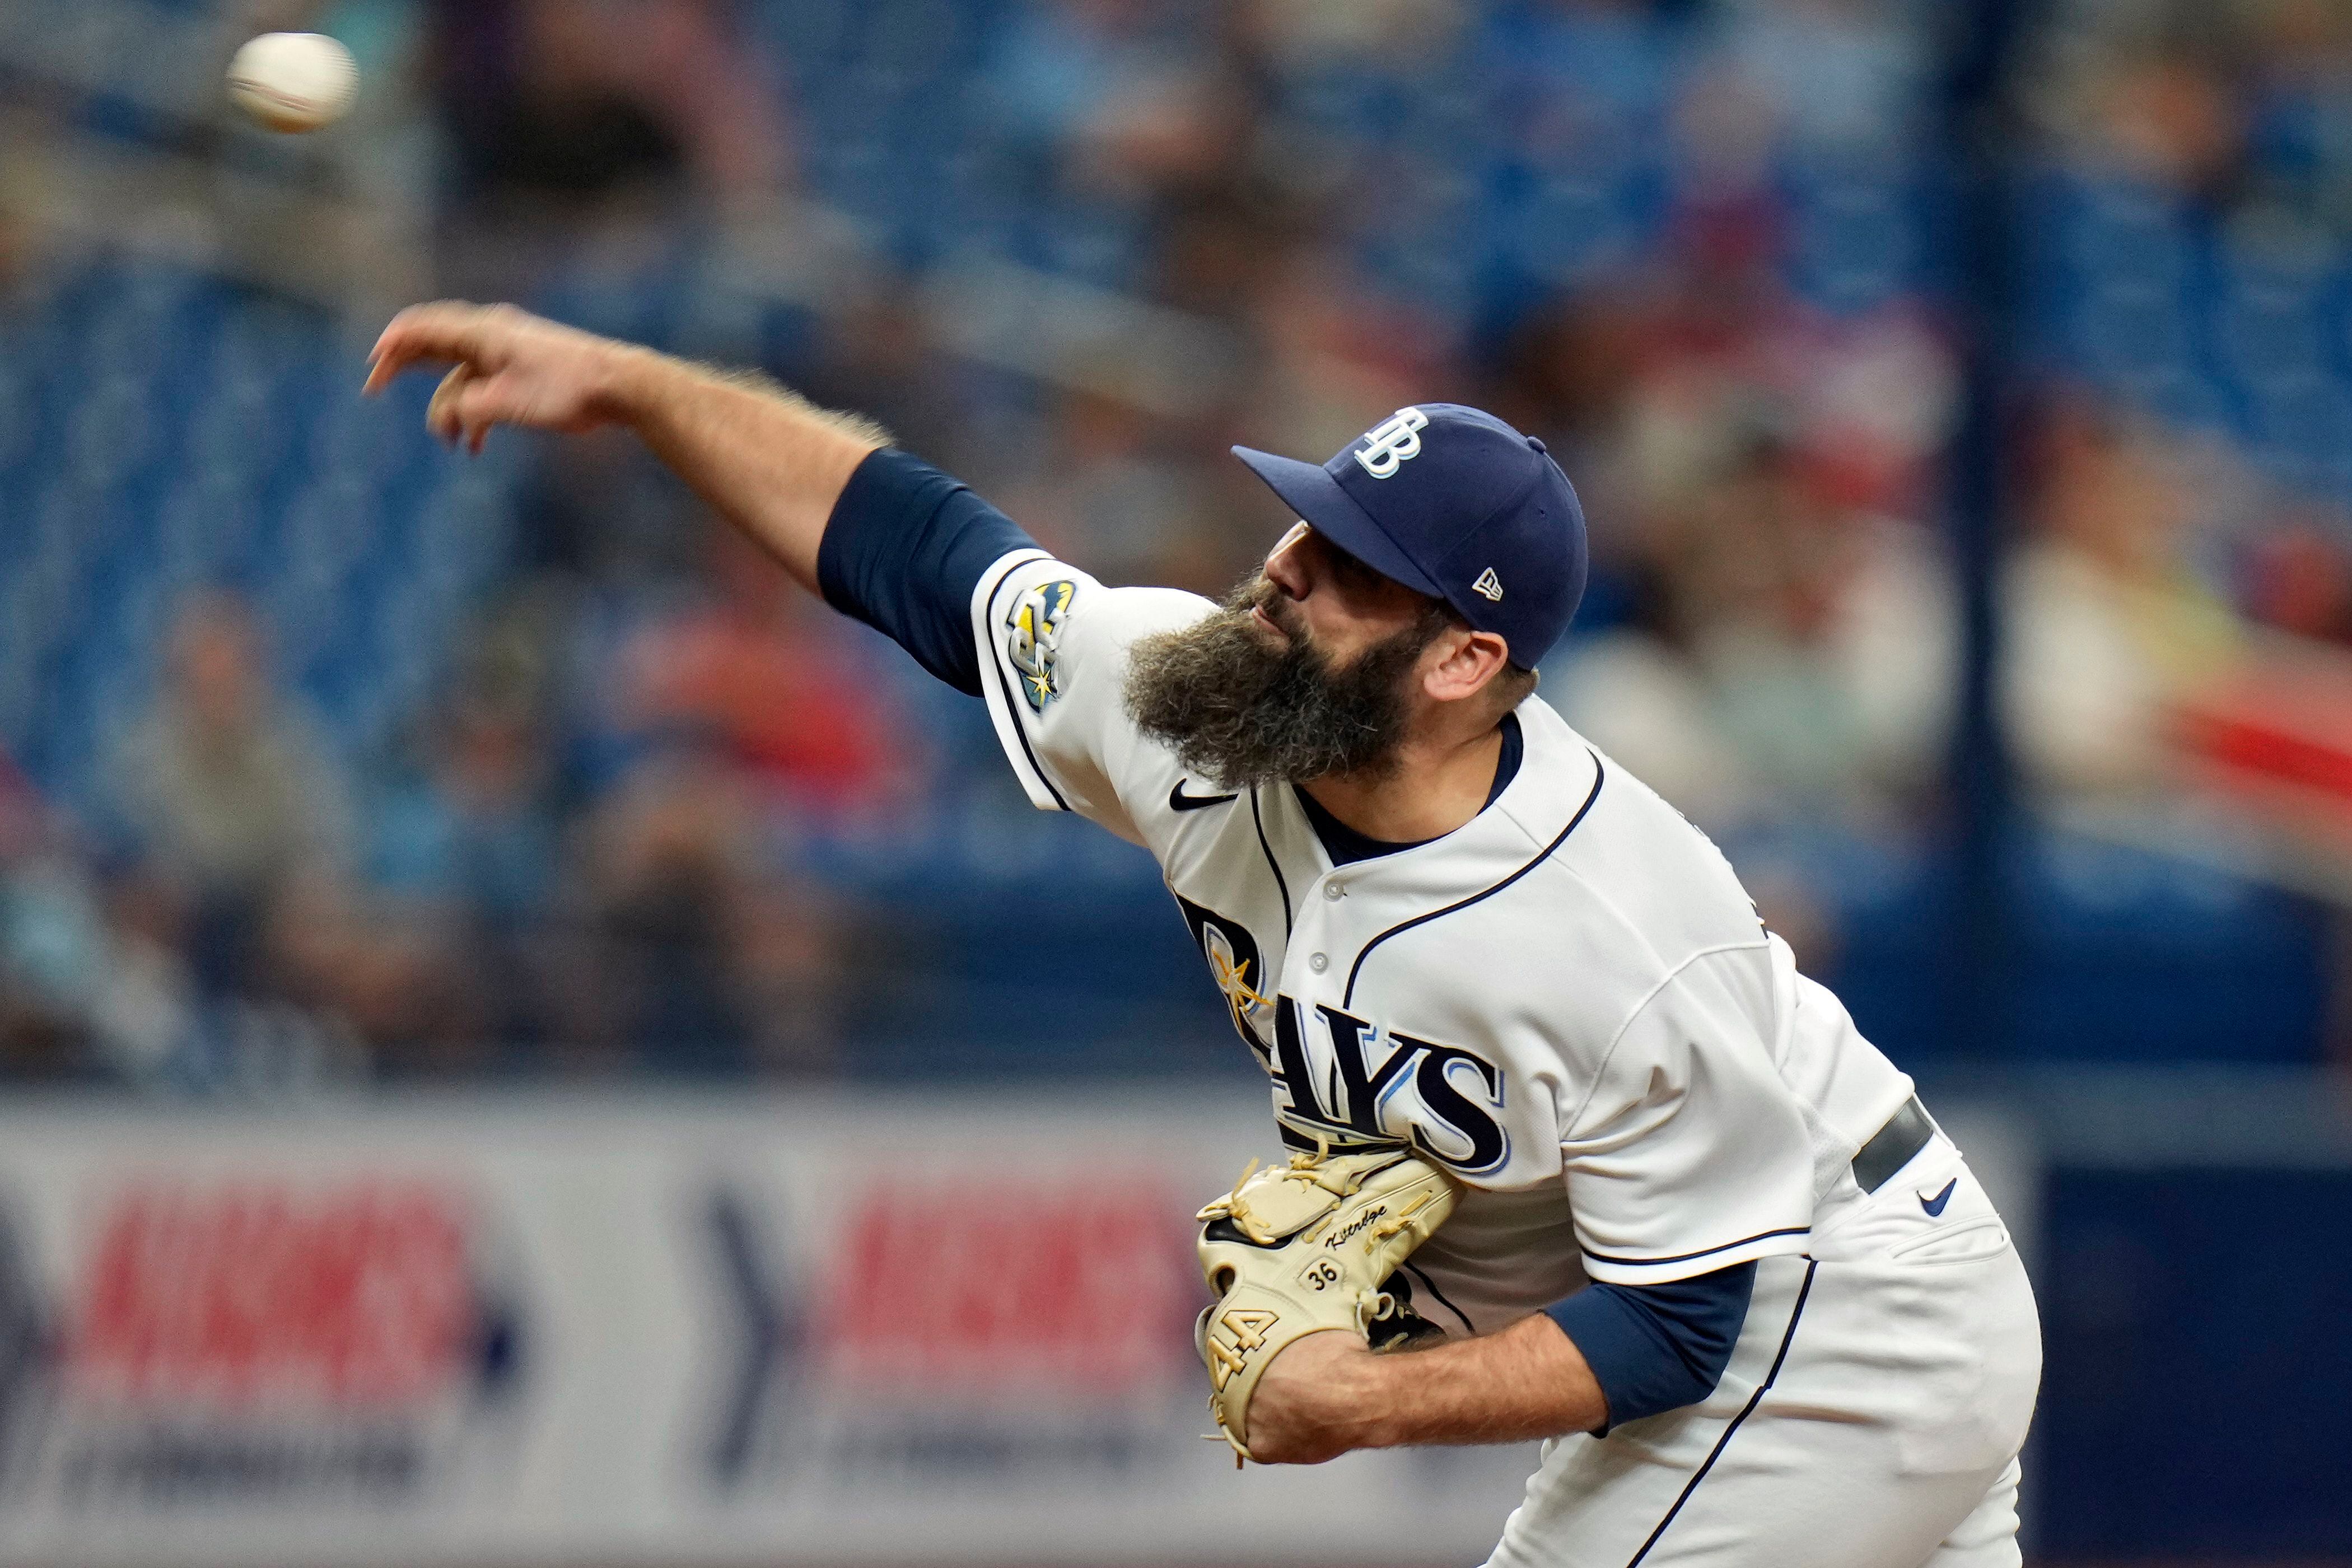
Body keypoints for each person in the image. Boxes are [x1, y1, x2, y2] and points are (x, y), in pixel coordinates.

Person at [365, 302, 2041, 1568]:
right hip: (1807, 1289)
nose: (1281, 569)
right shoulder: (1189, 698)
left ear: (1462, 661)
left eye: (1347, 568)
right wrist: (644, 387)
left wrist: (1360, 1400)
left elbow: (1697, 1318)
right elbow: (914, 546)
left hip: (1838, 1306)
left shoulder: (1611, 925)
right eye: (1304, 524)